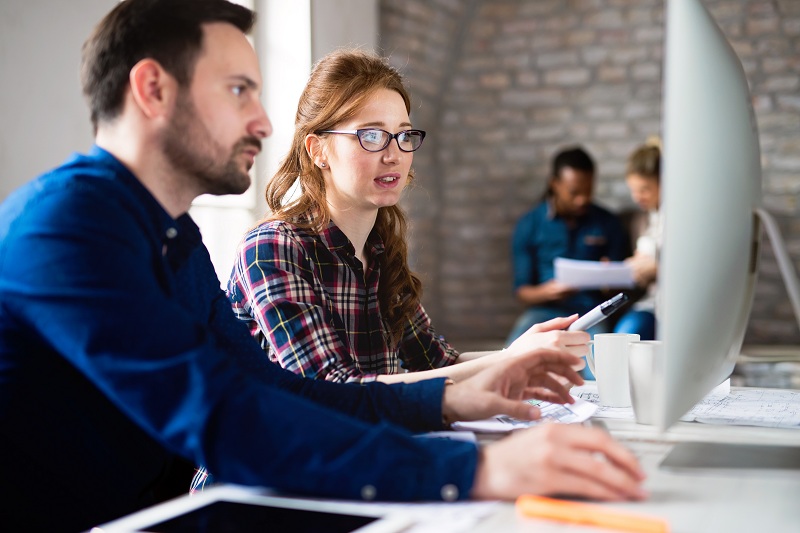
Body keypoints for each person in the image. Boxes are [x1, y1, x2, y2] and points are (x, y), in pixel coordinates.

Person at [0, 1, 645, 531]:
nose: (262, 122)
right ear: (153, 89)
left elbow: (278, 390)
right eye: (238, 91)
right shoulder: (66, 226)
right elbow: (229, 416)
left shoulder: (175, 236)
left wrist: (452, 397)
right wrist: (476, 471)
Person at [227, 49, 589, 384]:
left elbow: (438, 365)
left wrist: (524, 353)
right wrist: (510, 361)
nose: (394, 155)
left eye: (403, 136)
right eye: (372, 136)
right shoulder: (272, 247)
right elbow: (334, 391)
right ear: (318, 149)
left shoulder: (381, 251)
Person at [506, 147, 630, 348]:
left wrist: (610, 278)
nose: (583, 199)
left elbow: (621, 284)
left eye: (588, 191)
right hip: (544, 312)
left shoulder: (608, 223)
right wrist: (547, 291)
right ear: (554, 184)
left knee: (598, 357)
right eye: (574, 192)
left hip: (591, 313)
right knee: (512, 353)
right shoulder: (529, 224)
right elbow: (521, 291)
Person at [613, 142, 662, 340]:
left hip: (673, 305)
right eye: (633, 190)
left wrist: (657, 268)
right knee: (621, 336)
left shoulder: (681, 218)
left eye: (645, 189)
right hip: (651, 301)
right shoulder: (645, 219)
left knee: (627, 334)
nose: (637, 197)